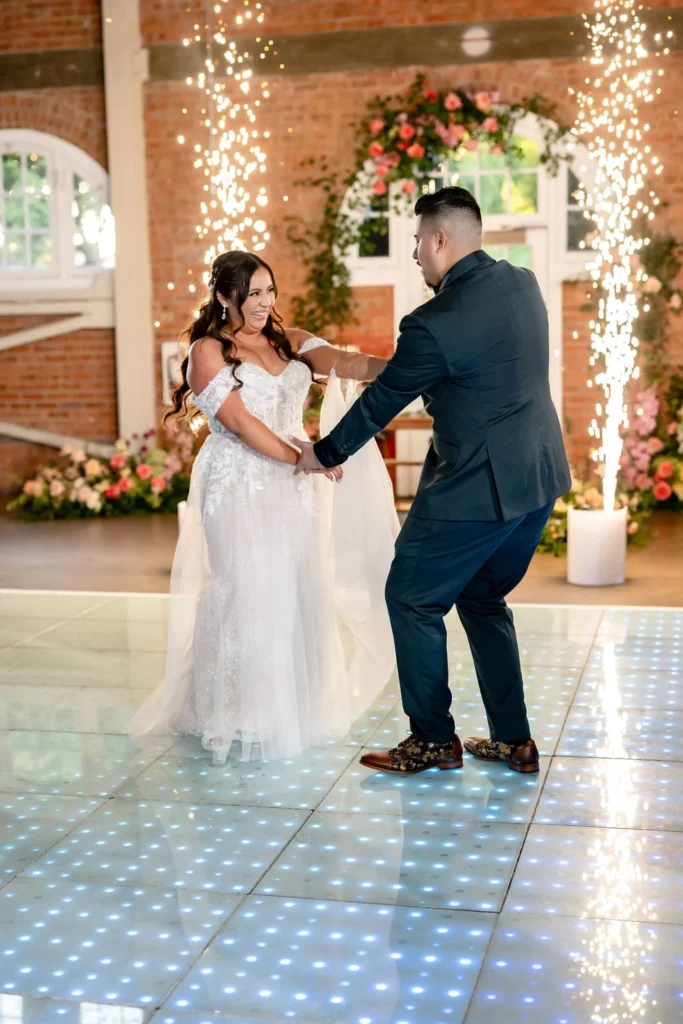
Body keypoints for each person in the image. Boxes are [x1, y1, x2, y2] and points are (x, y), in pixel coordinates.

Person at [294, 186, 571, 776]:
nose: (416, 253)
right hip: (540, 478)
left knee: (411, 596)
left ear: (441, 239)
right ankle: (514, 740)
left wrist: (322, 453)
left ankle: (431, 740)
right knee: (481, 595)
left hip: (477, 487)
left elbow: (382, 404)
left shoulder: (432, 322)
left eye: (418, 241)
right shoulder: (523, 284)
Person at [133, 250, 399, 763]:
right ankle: (236, 712)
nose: (264, 302)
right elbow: (238, 422)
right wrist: (306, 457)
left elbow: (346, 363)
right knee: (247, 587)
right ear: (224, 297)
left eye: (269, 291)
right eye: (253, 293)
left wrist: (404, 366)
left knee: (297, 586)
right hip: (237, 482)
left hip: (295, 487)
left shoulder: (291, 341)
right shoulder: (207, 352)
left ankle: (292, 710)